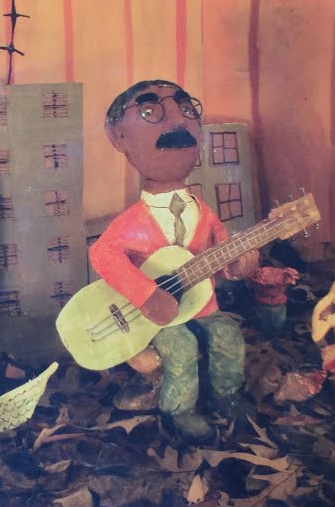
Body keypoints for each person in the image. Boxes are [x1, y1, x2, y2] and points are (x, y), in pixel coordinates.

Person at [89, 79, 259, 441]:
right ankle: (179, 410)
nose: (177, 121)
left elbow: (222, 252)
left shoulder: (203, 212)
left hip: (202, 307)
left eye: (186, 109)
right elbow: (103, 253)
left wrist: (239, 265)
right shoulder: (133, 222)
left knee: (228, 335)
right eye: (150, 111)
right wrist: (148, 294)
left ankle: (226, 396)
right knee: (181, 348)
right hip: (154, 317)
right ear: (119, 137)